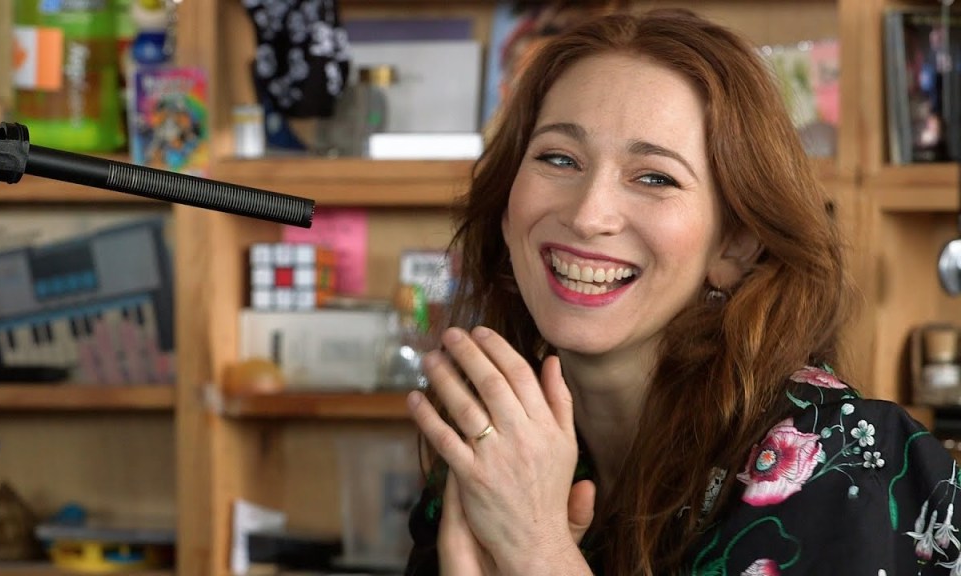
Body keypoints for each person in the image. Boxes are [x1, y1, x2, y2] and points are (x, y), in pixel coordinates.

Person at [402, 7, 961, 576]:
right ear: (506, 207)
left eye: (655, 177)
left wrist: (536, 547)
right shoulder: (499, 444)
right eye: (558, 158)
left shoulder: (847, 458)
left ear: (735, 245)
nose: (588, 215)